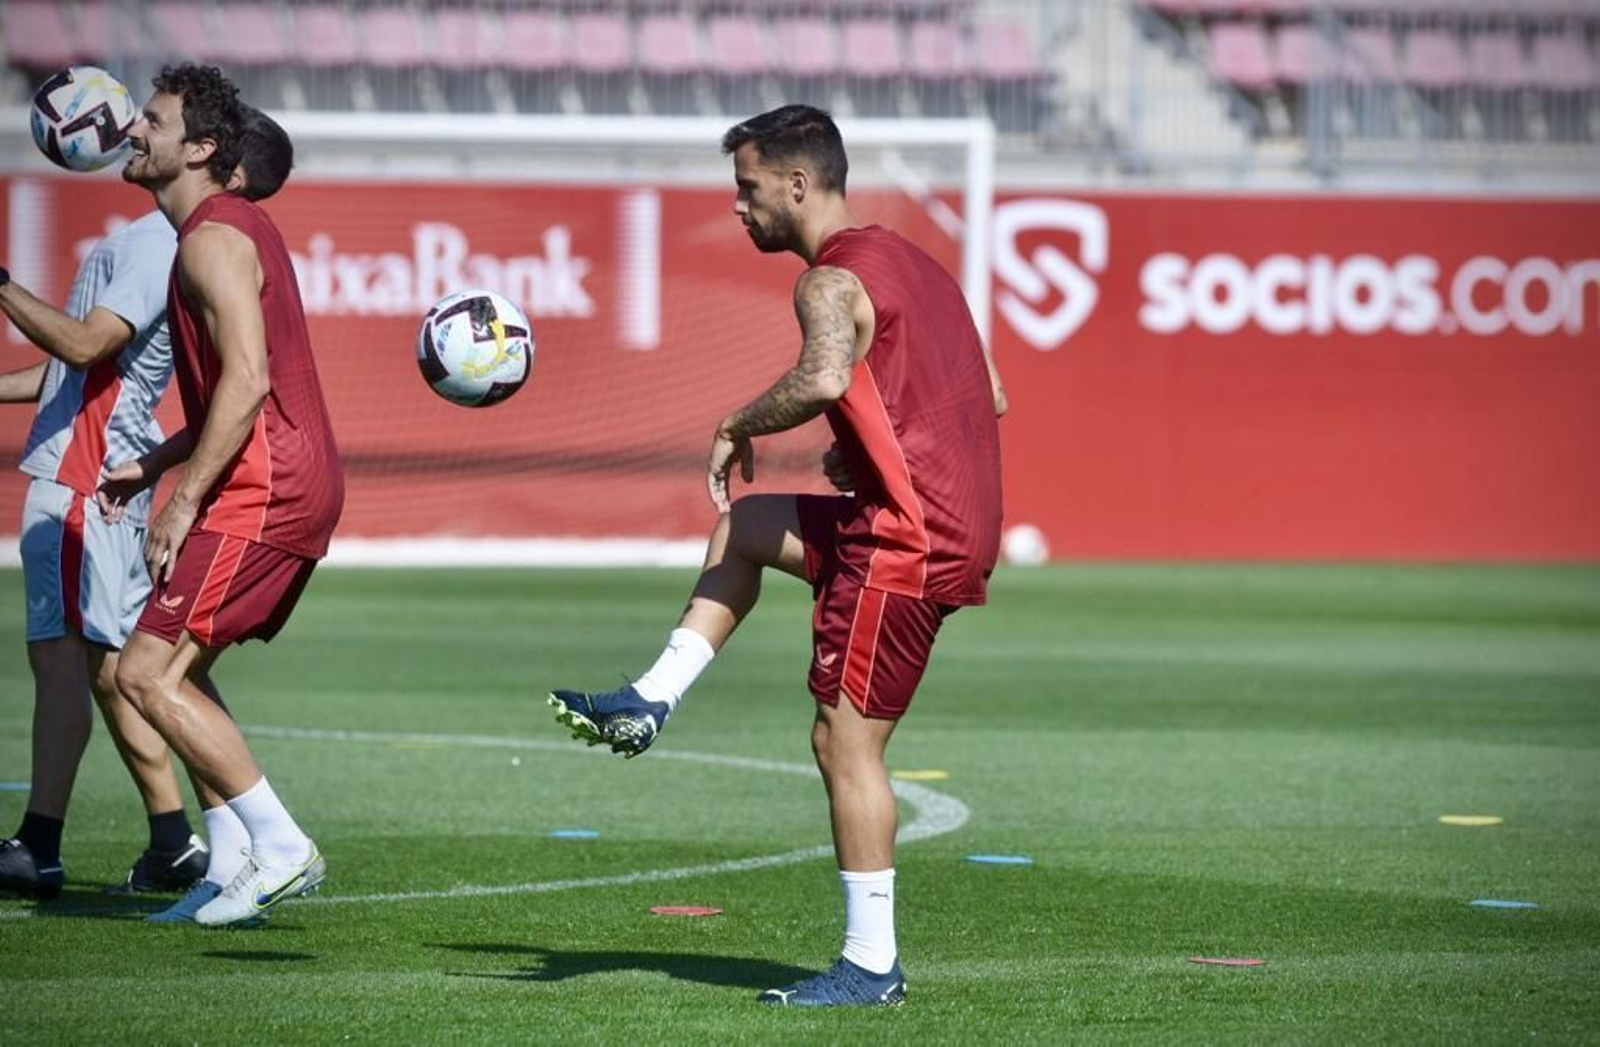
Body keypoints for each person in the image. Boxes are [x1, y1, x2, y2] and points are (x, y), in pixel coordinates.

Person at [550, 105, 1005, 1007]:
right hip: (933, 517)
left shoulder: (830, 280)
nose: (737, 207)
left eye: (747, 188)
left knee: (845, 739)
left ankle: (871, 966)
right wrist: (868, 445)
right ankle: (650, 699)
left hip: (906, 537)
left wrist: (736, 422)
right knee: (749, 526)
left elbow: (827, 376)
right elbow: (987, 392)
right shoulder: (915, 261)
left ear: (797, 185)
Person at [0, 102, 300, 906]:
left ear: (216, 162)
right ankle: (180, 838)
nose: (136, 129)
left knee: (84, 663)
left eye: (155, 121)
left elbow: (87, 345)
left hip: (84, 477)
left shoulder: (165, 241)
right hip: (103, 475)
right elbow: (82, 372)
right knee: (125, 668)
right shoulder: (173, 241)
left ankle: (43, 841)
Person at [101, 64, 343, 928]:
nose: (134, 131)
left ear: (201, 149)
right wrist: (158, 460)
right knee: (181, 669)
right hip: (271, 479)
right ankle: (235, 854)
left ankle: (280, 846)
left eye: (154, 122)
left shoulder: (210, 237)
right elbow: (228, 394)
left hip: (266, 489)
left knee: (140, 671)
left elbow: (247, 382)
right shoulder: (225, 230)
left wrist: (179, 498)